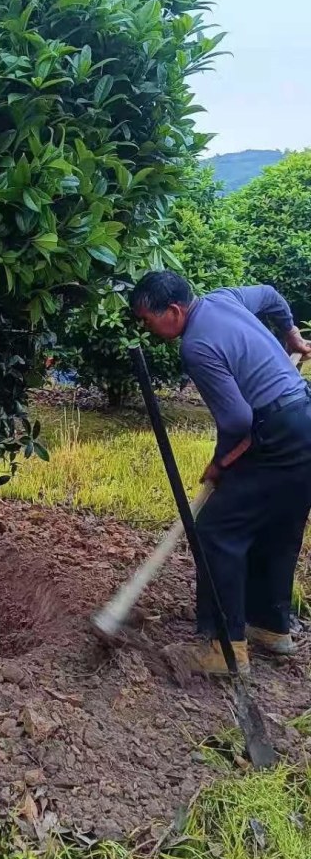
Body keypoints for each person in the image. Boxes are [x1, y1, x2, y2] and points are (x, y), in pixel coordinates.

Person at [130, 271, 311, 675]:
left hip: (276, 434)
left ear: (173, 311)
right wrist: (293, 335)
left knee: (215, 531)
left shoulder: (195, 346)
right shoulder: (224, 299)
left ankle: (225, 651)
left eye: (147, 319)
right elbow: (270, 294)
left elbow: (236, 420)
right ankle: (270, 626)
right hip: (305, 424)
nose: (147, 327)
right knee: (279, 525)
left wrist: (220, 463)